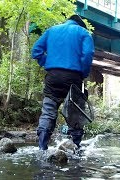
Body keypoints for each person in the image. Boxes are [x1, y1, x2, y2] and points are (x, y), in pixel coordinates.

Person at [31, 14, 94, 150]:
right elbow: (88, 54)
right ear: (80, 24)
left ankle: (42, 147)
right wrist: (83, 73)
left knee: (48, 110)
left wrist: (47, 63)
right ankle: (76, 146)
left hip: (53, 76)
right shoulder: (84, 33)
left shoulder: (51, 30)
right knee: (75, 112)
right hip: (74, 78)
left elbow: (36, 52)